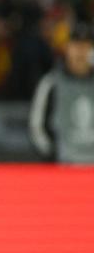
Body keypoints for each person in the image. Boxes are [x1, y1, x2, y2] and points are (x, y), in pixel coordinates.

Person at [29, 23, 94, 164]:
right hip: (63, 166)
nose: (81, 52)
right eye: (76, 45)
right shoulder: (51, 83)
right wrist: (54, 156)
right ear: (67, 48)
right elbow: (36, 127)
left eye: (86, 46)